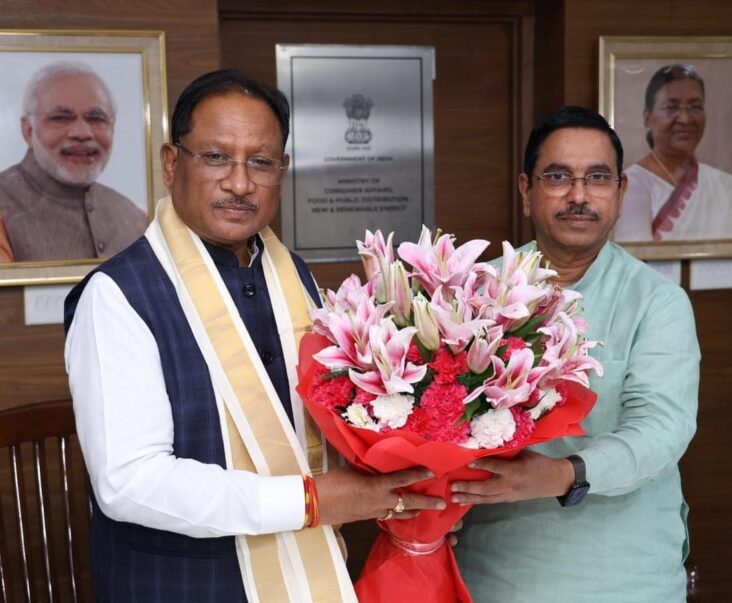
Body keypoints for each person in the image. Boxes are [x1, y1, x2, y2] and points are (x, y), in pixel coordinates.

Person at [64, 70, 443, 602]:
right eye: (216, 157)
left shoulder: (292, 275)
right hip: (184, 585)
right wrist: (311, 501)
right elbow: (129, 482)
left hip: (304, 565)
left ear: (282, 171)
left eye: (260, 162)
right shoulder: (118, 295)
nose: (240, 184)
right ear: (171, 163)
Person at [452, 106, 700, 601]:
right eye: (558, 176)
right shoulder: (472, 293)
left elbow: (661, 429)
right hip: (495, 569)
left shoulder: (657, 302)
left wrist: (566, 473)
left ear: (620, 192)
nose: (579, 195)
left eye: (597, 178)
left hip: (625, 575)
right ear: (526, 191)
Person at [0, 60, 146, 262]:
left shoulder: (133, 217)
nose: (82, 133)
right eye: (60, 118)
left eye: (96, 119)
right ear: (28, 130)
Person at [614, 64, 732, 243]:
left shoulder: (730, 188)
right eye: (671, 107)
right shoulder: (631, 187)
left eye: (695, 106)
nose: (685, 119)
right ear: (648, 118)